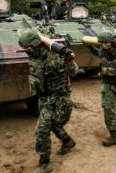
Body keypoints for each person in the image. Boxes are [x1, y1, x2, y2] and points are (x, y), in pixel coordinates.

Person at [18, 30, 78, 173]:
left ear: (36, 45)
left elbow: (74, 71)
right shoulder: (34, 54)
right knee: (54, 125)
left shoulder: (54, 56)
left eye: (28, 48)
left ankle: (44, 164)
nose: (26, 51)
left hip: (57, 98)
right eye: (24, 49)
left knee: (42, 130)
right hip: (43, 97)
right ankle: (68, 141)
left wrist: (69, 61)